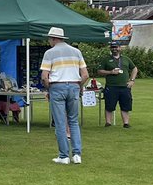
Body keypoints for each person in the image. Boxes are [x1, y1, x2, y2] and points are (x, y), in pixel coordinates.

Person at [40, 26, 89, 164]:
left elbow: (45, 76)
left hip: (57, 86)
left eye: (50, 38)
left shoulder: (49, 53)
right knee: (73, 121)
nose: (49, 41)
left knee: (60, 123)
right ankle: (77, 154)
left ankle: (64, 156)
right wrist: (78, 86)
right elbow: (85, 75)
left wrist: (49, 88)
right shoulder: (76, 52)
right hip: (74, 85)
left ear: (54, 39)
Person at [97, 40, 138, 128]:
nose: (114, 49)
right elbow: (100, 71)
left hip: (125, 86)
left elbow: (134, 69)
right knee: (109, 105)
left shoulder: (126, 59)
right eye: (112, 47)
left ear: (120, 48)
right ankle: (108, 123)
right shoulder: (106, 59)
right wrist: (110, 72)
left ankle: (126, 123)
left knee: (126, 105)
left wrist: (132, 80)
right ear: (110, 49)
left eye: (116, 47)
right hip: (111, 86)